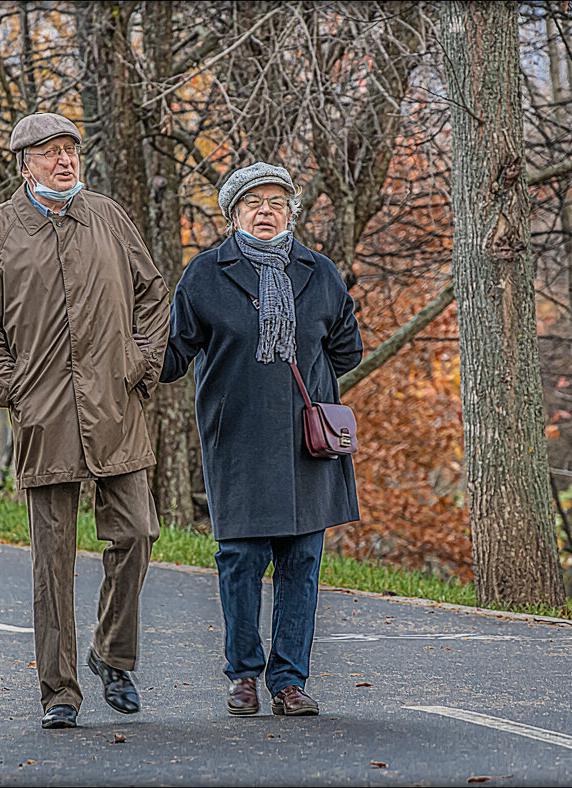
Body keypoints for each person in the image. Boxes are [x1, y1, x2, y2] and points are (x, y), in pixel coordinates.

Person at [0, 112, 170, 730]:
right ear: (26, 165)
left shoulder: (105, 216)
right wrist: (14, 390)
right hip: (44, 418)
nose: (66, 160)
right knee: (52, 560)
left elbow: (153, 295)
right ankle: (59, 693)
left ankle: (112, 653)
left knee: (136, 533)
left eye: (71, 150)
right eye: (51, 153)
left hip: (115, 408)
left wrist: (140, 365)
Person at [159, 162, 363, 717]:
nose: (265, 211)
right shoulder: (205, 274)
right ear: (233, 215)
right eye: (253, 203)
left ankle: (290, 681)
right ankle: (244, 675)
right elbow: (174, 355)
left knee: (301, 561)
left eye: (276, 201)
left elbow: (347, 348)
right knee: (241, 560)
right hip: (238, 440)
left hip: (305, 444)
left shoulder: (318, 273)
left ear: (291, 212)